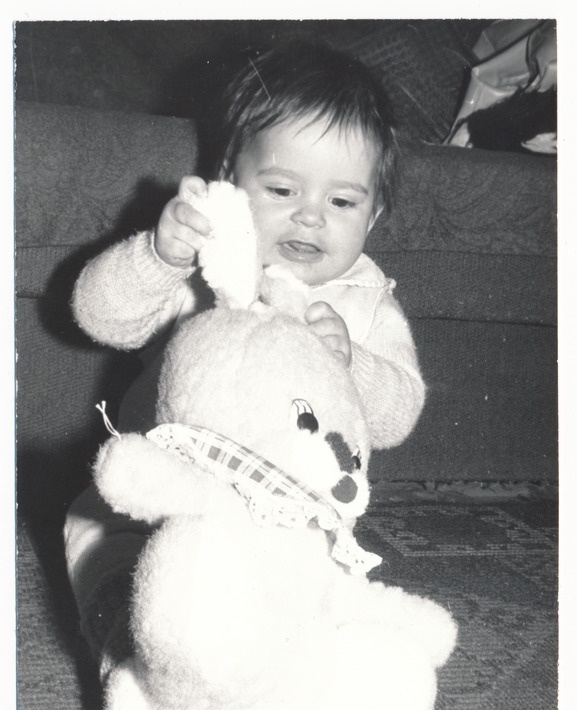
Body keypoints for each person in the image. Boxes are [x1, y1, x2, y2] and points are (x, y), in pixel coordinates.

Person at [64, 41, 425, 670]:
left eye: (342, 202)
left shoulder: (362, 303)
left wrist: (351, 363)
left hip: (291, 525)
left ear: (375, 214)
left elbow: (398, 416)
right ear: (233, 178)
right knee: (98, 535)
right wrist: (159, 257)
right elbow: (100, 315)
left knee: (322, 595)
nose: (310, 217)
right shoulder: (210, 264)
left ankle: (295, 667)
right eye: (282, 188)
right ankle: (128, 637)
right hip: (161, 499)